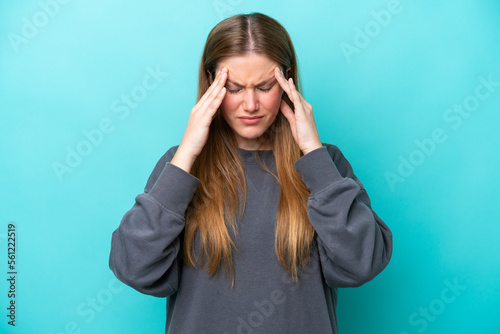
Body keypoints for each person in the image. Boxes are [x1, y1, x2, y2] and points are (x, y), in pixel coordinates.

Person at [109, 12, 393, 334]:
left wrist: (313, 153)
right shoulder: (180, 166)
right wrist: (187, 153)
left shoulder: (325, 164)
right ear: (210, 83)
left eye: (264, 86)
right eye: (234, 88)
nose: (250, 104)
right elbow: (134, 267)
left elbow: (363, 263)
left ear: (287, 80)